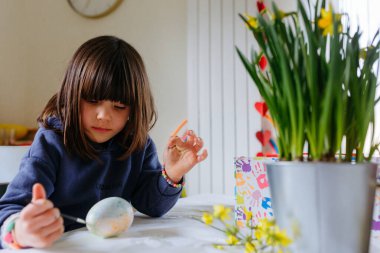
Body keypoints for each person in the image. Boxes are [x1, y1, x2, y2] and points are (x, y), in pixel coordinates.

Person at [0, 35, 208, 249]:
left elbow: (152, 206)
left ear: (134, 109)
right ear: (71, 95)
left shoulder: (137, 143)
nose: (104, 116)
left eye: (119, 106)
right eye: (92, 100)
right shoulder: (52, 141)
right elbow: (7, 210)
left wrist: (171, 174)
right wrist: (20, 232)